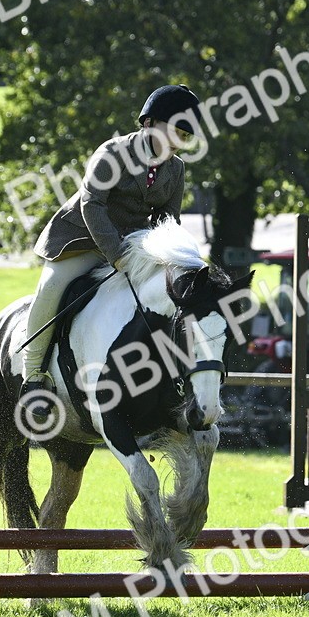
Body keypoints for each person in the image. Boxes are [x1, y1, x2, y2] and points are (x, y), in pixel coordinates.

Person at [19, 84, 202, 418]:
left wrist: (168, 259)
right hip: (83, 239)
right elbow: (93, 206)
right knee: (52, 287)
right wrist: (116, 254)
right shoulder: (112, 153)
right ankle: (32, 375)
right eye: (175, 131)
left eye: (185, 137)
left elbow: (167, 221)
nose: (177, 143)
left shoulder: (176, 169)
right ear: (148, 123)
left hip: (134, 246)